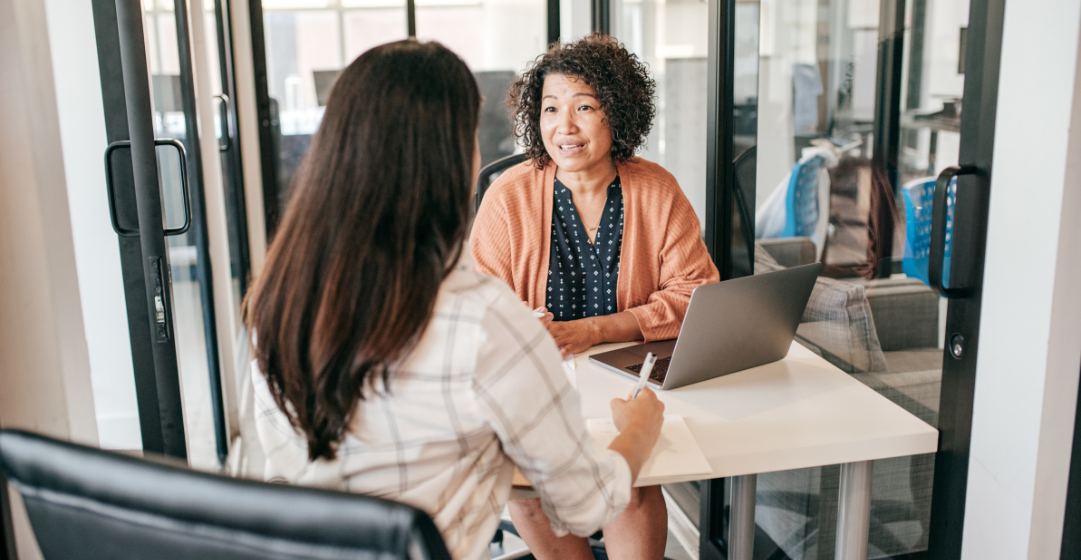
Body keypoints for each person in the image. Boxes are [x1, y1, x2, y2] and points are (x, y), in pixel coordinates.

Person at [243, 40, 665, 560]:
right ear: (449, 160)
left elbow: (285, 473)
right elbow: (585, 505)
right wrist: (640, 433)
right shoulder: (484, 317)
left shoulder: (279, 302)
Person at [470, 34, 720, 559]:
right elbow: (477, 308)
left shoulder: (656, 191)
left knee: (632, 484)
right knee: (531, 490)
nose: (565, 126)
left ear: (617, 114)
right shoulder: (508, 198)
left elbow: (697, 293)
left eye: (584, 107)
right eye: (551, 108)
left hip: (627, 378)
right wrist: (519, 326)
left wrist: (596, 330)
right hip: (540, 384)